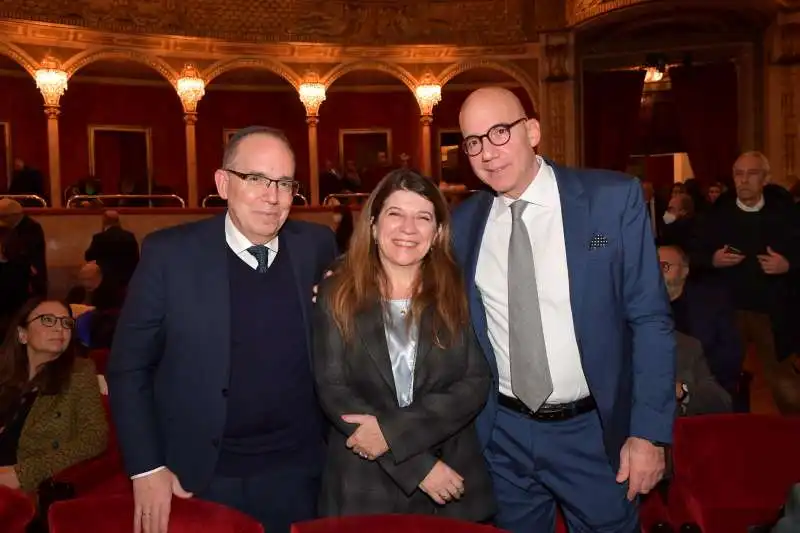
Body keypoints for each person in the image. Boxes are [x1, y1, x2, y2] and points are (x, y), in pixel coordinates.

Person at [451, 87, 675, 532]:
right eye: (474, 141)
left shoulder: (609, 203)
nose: (487, 153)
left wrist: (649, 433)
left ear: (532, 131)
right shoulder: (463, 223)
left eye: (499, 132)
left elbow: (649, 320)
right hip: (503, 436)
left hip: (592, 434)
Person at [107, 126, 339, 533]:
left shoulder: (316, 245)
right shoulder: (169, 255)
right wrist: (146, 468)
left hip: (300, 473)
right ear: (222, 183)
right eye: (256, 180)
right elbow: (129, 368)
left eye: (285, 183)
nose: (273, 196)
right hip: (200, 476)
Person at [313, 170, 494, 521]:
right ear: (374, 225)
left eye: (423, 217)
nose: (408, 229)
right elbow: (334, 391)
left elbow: (474, 383)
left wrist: (394, 437)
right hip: (364, 484)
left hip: (451, 478)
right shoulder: (337, 294)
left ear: (438, 231)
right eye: (395, 214)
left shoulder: (460, 290)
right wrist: (419, 468)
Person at [0, 298, 107, 492]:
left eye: (66, 323)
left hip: (24, 485)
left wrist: (25, 473)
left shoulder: (79, 373)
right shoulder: (5, 370)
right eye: (48, 320)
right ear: (22, 334)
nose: (60, 328)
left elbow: (95, 437)